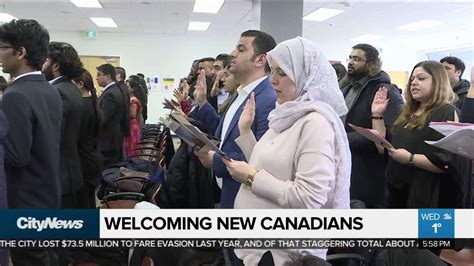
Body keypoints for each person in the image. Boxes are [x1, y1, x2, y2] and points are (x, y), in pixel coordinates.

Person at [223, 37, 351, 264]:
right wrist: (245, 133)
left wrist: (250, 177)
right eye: (272, 71)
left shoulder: (315, 123)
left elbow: (309, 197)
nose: (273, 80)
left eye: (282, 72)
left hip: (284, 254)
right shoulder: (286, 113)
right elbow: (269, 167)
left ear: (305, 74)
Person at [0, 19, 62, 265]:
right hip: (47, 191)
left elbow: (16, 155)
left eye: (3, 47)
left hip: (23, 199)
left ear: (21, 52)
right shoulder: (49, 89)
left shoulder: (14, 95)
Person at [192, 30, 277, 209]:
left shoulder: (268, 99)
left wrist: (215, 159)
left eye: (241, 49)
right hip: (228, 188)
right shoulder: (242, 93)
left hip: (245, 195)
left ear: (260, 60)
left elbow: (263, 158)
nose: (232, 53)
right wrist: (202, 103)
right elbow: (225, 132)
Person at [371, 60, 471, 210]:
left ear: (438, 81)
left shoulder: (446, 111)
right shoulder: (408, 112)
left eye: (421, 78)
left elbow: (449, 161)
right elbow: (383, 147)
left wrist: (410, 159)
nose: (414, 83)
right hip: (398, 192)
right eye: (412, 79)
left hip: (429, 197)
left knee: (428, 232)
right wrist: (377, 115)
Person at [341, 43, 403, 208]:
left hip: (368, 167)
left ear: (371, 64)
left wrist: (341, 139)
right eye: (350, 58)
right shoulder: (346, 88)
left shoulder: (386, 91)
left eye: (357, 59)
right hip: (344, 160)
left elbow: (388, 134)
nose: (351, 62)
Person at [42, 41, 84, 208]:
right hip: (69, 168)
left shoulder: (57, 92)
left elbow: (52, 137)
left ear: (56, 65)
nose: (41, 65)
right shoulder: (72, 88)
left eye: (45, 61)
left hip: (60, 172)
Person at [72, 68, 104, 208]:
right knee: (88, 201)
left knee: (83, 202)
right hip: (91, 157)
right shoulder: (92, 102)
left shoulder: (81, 107)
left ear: (80, 84)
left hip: (84, 161)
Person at [96, 64, 126, 168]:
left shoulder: (110, 94)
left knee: (107, 171)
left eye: (99, 75)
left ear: (108, 76)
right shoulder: (115, 90)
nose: (96, 78)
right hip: (113, 138)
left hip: (108, 141)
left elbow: (103, 118)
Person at [124, 75, 143, 157]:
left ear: (132, 89)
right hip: (133, 124)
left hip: (132, 125)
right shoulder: (134, 99)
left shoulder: (132, 100)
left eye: (127, 87)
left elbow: (132, 114)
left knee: (131, 147)